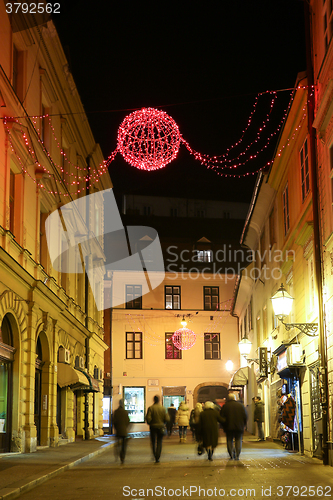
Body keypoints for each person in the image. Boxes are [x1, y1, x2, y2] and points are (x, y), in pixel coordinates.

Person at [220, 393, 247, 461]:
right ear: (235, 398)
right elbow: (245, 416)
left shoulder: (225, 406)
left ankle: (231, 455)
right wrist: (244, 425)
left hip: (228, 427)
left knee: (229, 440)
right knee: (238, 440)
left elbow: (221, 417)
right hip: (239, 426)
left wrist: (223, 426)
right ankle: (237, 456)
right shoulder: (240, 405)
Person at [145, 395, 169, 463]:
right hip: (161, 427)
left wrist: (150, 423)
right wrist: (163, 422)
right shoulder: (163, 408)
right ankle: (157, 456)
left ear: (154, 400)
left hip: (153, 427)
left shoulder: (151, 408)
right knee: (159, 441)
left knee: (153, 442)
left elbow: (148, 418)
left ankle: (154, 454)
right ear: (159, 400)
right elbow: (167, 418)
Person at [113, 399, 130, 464]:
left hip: (118, 431)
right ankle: (122, 456)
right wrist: (125, 427)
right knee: (124, 445)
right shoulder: (125, 412)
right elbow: (128, 421)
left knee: (117, 443)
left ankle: (117, 454)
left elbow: (114, 421)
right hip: (124, 431)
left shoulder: (116, 412)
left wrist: (116, 428)